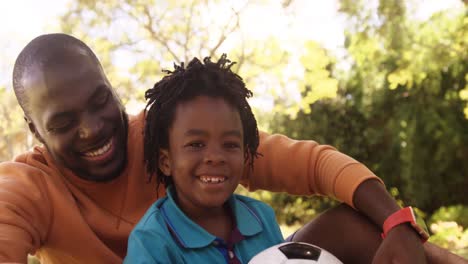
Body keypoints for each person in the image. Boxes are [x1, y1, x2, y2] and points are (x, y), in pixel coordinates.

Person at [0, 33, 462, 263]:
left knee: (351, 225)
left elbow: (315, 165)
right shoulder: (27, 188)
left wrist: (399, 223)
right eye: (63, 122)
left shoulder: (172, 138)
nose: (92, 129)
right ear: (35, 130)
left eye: (101, 101)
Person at [125, 55, 285, 263]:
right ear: (166, 161)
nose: (215, 157)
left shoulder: (261, 217)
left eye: (230, 144)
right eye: (196, 144)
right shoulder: (151, 242)